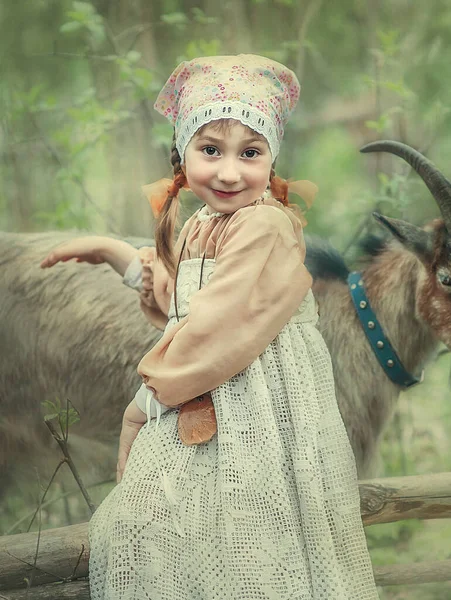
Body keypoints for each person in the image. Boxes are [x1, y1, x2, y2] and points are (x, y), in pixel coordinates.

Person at [42, 54, 380, 599]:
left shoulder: (265, 222)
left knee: (252, 527)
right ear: (183, 154)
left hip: (262, 403)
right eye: (210, 150)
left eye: (250, 153)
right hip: (211, 387)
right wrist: (115, 255)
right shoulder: (205, 221)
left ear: (272, 159)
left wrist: (148, 400)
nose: (229, 172)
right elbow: (183, 299)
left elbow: (224, 322)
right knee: (163, 521)